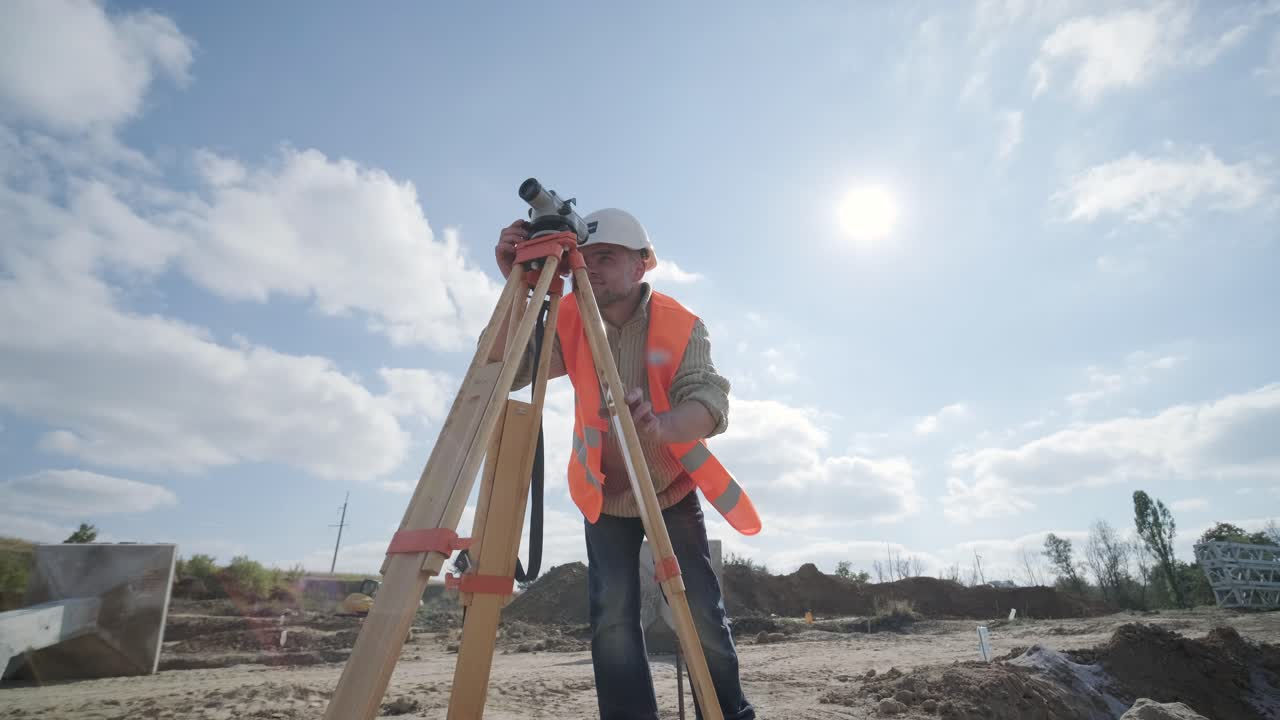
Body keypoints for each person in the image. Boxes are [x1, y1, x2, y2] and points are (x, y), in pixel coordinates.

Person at [495, 208, 758, 720]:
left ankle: (728, 713)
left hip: (670, 489)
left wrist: (662, 426)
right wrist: (518, 289)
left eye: (607, 259)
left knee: (702, 613)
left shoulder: (682, 324)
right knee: (612, 620)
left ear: (641, 264)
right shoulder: (568, 318)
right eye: (584, 261)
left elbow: (707, 400)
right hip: (607, 497)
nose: (591, 270)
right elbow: (507, 368)